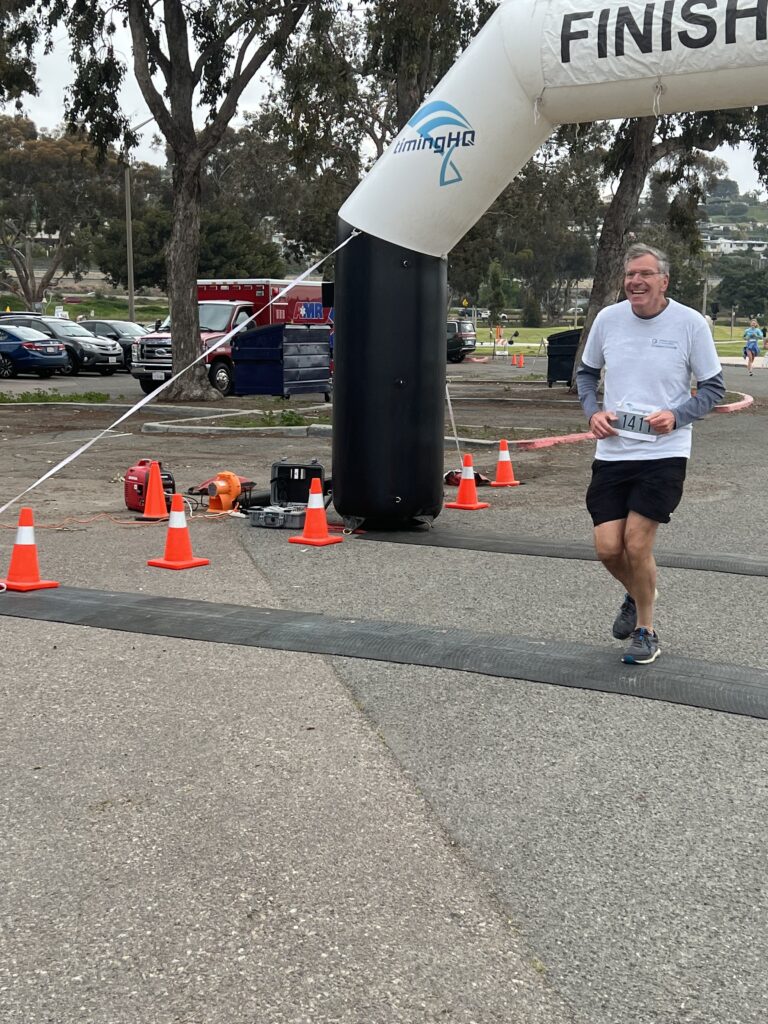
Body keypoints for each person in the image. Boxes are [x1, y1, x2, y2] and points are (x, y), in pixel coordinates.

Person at [576, 243, 724, 665]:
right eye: (629, 276)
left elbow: (713, 388)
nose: (635, 282)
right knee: (608, 548)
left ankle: (646, 629)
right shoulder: (608, 319)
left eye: (644, 274)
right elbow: (586, 374)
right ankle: (639, 589)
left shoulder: (690, 324)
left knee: (636, 545)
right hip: (614, 451)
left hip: (664, 452)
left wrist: (677, 416)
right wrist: (593, 413)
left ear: (664, 281)